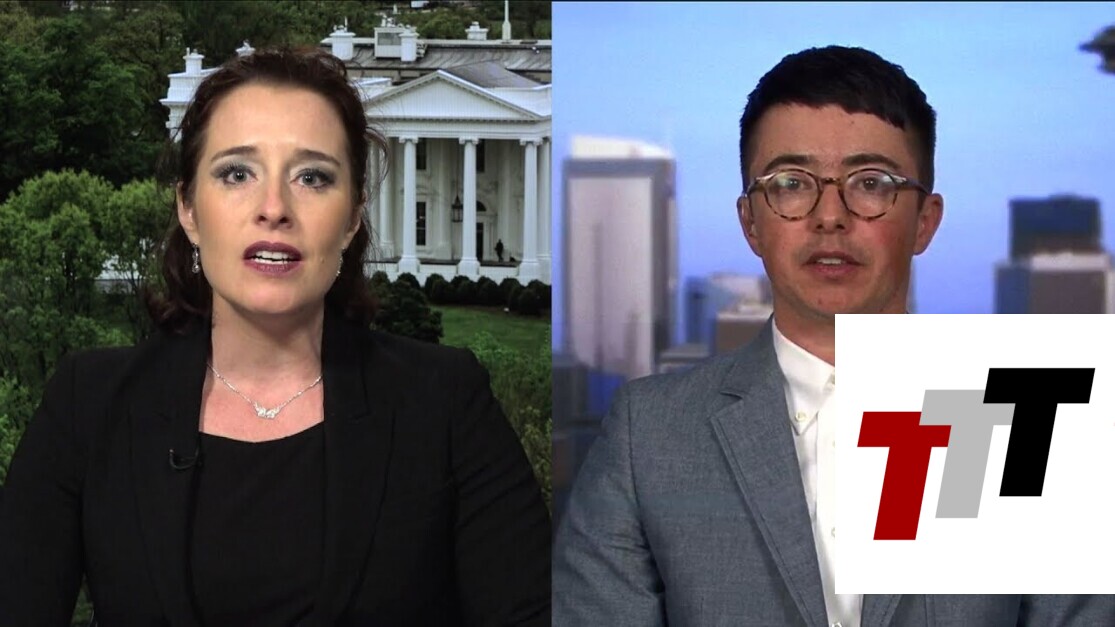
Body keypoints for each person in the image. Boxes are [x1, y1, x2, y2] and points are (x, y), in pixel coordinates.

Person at [552, 46, 1115, 626]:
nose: (830, 216)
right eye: (791, 183)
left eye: (870, 182)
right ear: (750, 222)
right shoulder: (648, 433)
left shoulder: (1033, 416)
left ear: (925, 221)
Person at [0, 48, 550, 625]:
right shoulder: (88, 405)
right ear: (188, 208)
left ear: (352, 217)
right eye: (237, 173)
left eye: (312, 177)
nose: (274, 209)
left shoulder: (445, 405)